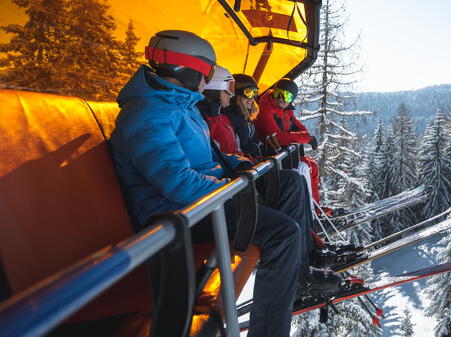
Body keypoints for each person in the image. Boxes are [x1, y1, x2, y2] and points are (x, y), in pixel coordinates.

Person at [108, 30, 338, 337]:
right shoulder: (148, 114)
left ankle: (299, 269)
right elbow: (179, 185)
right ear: (187, 69)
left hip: (208, 199)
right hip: (180, 215)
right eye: (206, 73)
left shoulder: (180, 106)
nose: (207, 83)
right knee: (283, 233)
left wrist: (236, 164)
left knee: (290, 183)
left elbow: (208, 156)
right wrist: (234, 189)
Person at [255, 78, 324, 214]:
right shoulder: (265, 109)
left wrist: (304, 137)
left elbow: (303, 130)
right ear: (273, 92)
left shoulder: (287, 110)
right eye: (278, 93)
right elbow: (278, 137)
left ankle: (316, 209)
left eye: (286, 96)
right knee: (305, 167)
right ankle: (310, 213)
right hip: (270, 155)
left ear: (292, 99)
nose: (281, 98)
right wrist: (305, 138)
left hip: (283, 154)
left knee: (312, 165)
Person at [197, 65, 238, 153]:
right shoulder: (204, 120)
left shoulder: (220, 116)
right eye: (229, 88)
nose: (231, 95)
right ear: (215, 89)